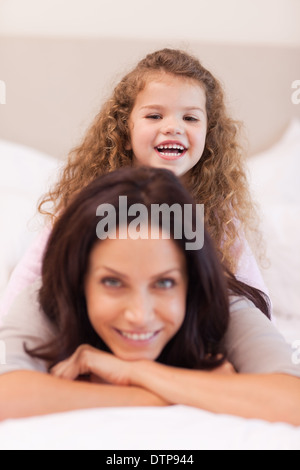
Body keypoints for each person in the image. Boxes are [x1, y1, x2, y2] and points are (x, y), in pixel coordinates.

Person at [0, 167, 299, 424]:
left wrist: (135, 371)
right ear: (79, 281)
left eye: (165, 283)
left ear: (192, 282)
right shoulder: (46, 300)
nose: (139, 315)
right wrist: (177, 392)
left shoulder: (222, 303)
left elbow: (292, 399)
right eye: (113, 282)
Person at [0, 48, 266, 320]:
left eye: (190, 118)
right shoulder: (88, 203)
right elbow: (30, 278)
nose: (173, 126)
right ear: (124, 133)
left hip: (185, 339)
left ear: (208, 136)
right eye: (154, 116)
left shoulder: (217, 213)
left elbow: (253, 299)